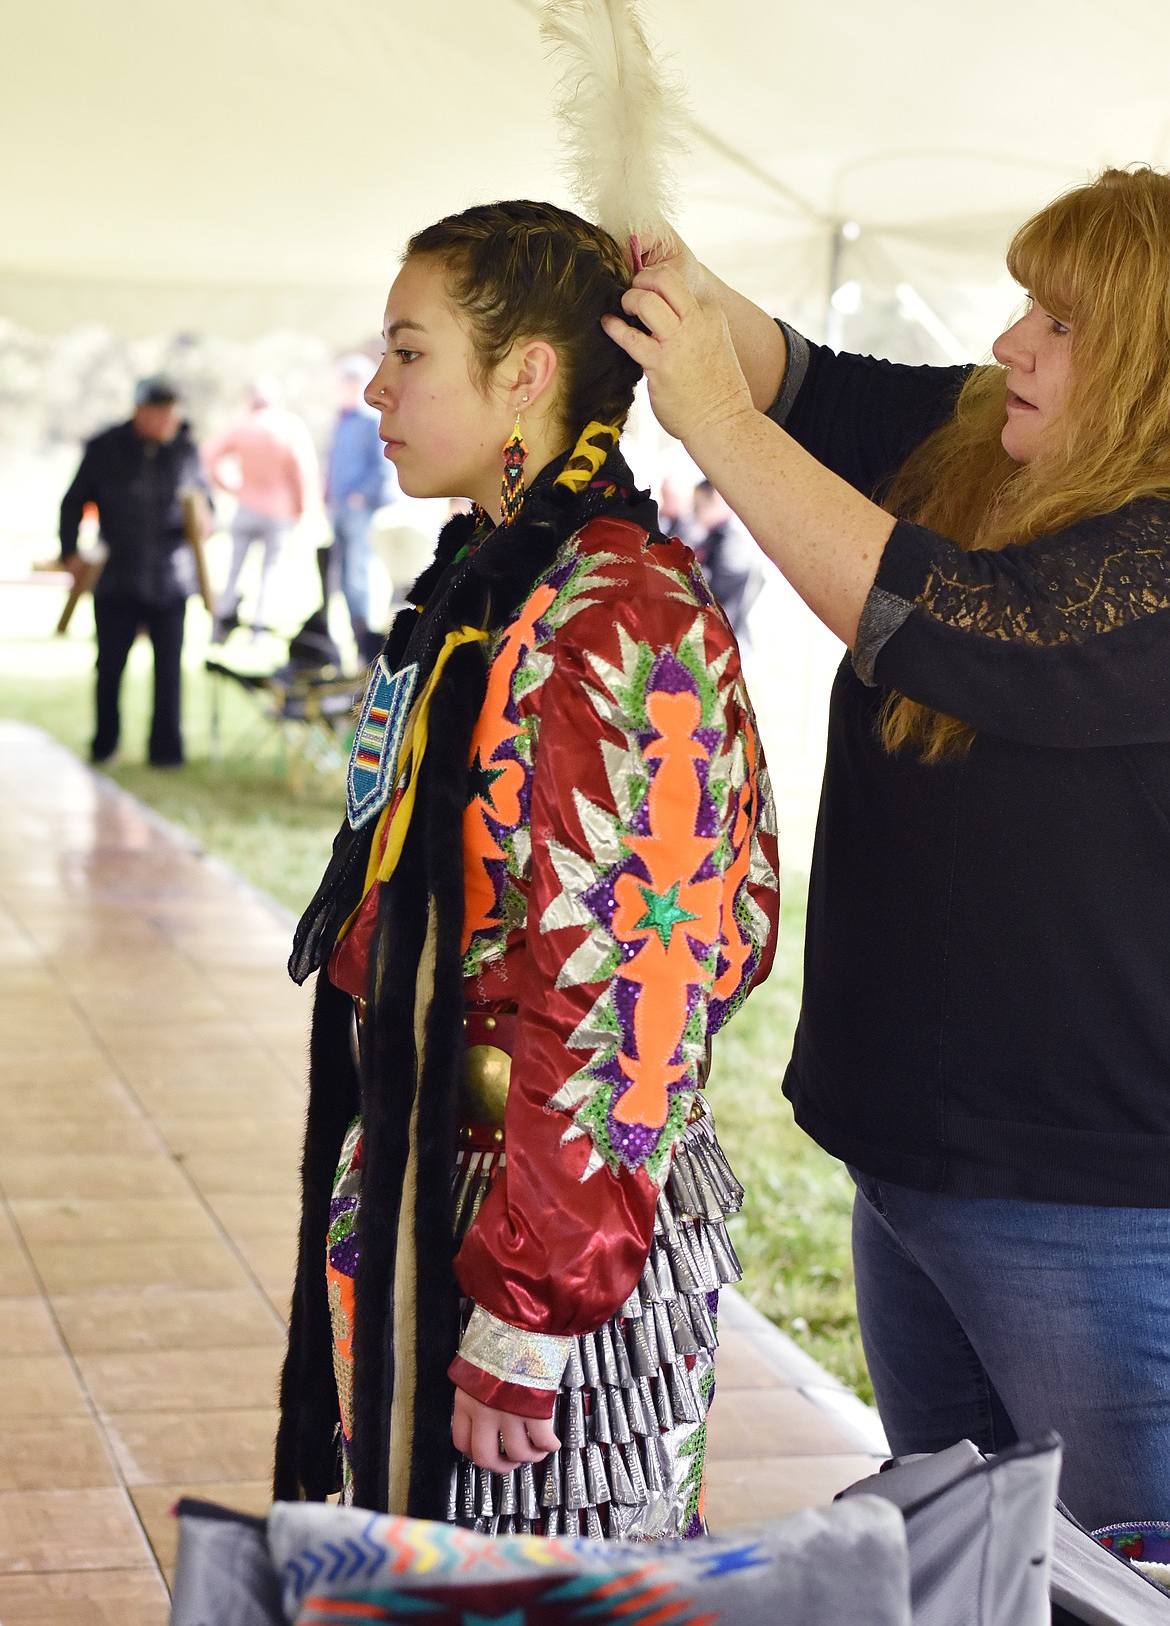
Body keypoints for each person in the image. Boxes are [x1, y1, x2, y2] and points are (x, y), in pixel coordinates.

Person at [602, 164, 1170, 1533]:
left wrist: (713, 426)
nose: (1007, 344)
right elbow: (809, 380)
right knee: (954, 1565)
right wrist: (669, 274)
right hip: (908, 1163)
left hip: (1081, 1196)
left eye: (1058, 322)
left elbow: (951, 619)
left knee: (1111, 1577)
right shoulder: (987, 436)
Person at [274, 201, 779, 1539]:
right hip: (452, 1167)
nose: (375, 385)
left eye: (409, 351)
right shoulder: (498, 583)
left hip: (549, 1222)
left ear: (527, 377)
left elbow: (641, 980)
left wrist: (528, 1300)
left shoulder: (618, 608)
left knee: (538, 1568)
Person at [59, 375, 205, 767]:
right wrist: (69, 551)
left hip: (170, 579)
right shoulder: (105, 448)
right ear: (141, 412)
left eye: (173, 415)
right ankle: (104, 744)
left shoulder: (186, 450)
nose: (167, 422)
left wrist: (205, 520)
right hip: (118, 578)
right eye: (161, 414)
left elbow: (205, 505)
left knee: (169, 673)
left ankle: (166, 752)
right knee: (109, 667)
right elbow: (72, 502)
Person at [202, 376, 317, 640]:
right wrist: (302, 508)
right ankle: (258, 631)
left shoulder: (243, 425)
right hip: (280, 512)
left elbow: (207, 456)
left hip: (246, 507)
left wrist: (230, 487)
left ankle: (219, 628)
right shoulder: (289, 426)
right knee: (269, 572)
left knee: (233, 571)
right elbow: (302, 470)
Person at [325, 354, 393, 660]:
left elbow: (383, 466)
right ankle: (350, 641)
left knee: (357, 576)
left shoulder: (369, 419)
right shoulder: (342, 419)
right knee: (338, 577)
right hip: (338, 509)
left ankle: (365, 646)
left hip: (359, 511)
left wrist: (361, 496)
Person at [692, 480, 765, 643]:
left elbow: (718, 590)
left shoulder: (734, 539)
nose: (695, 513)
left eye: (698, 506)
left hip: (727, 640)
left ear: (716, 499)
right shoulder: (716, 536)